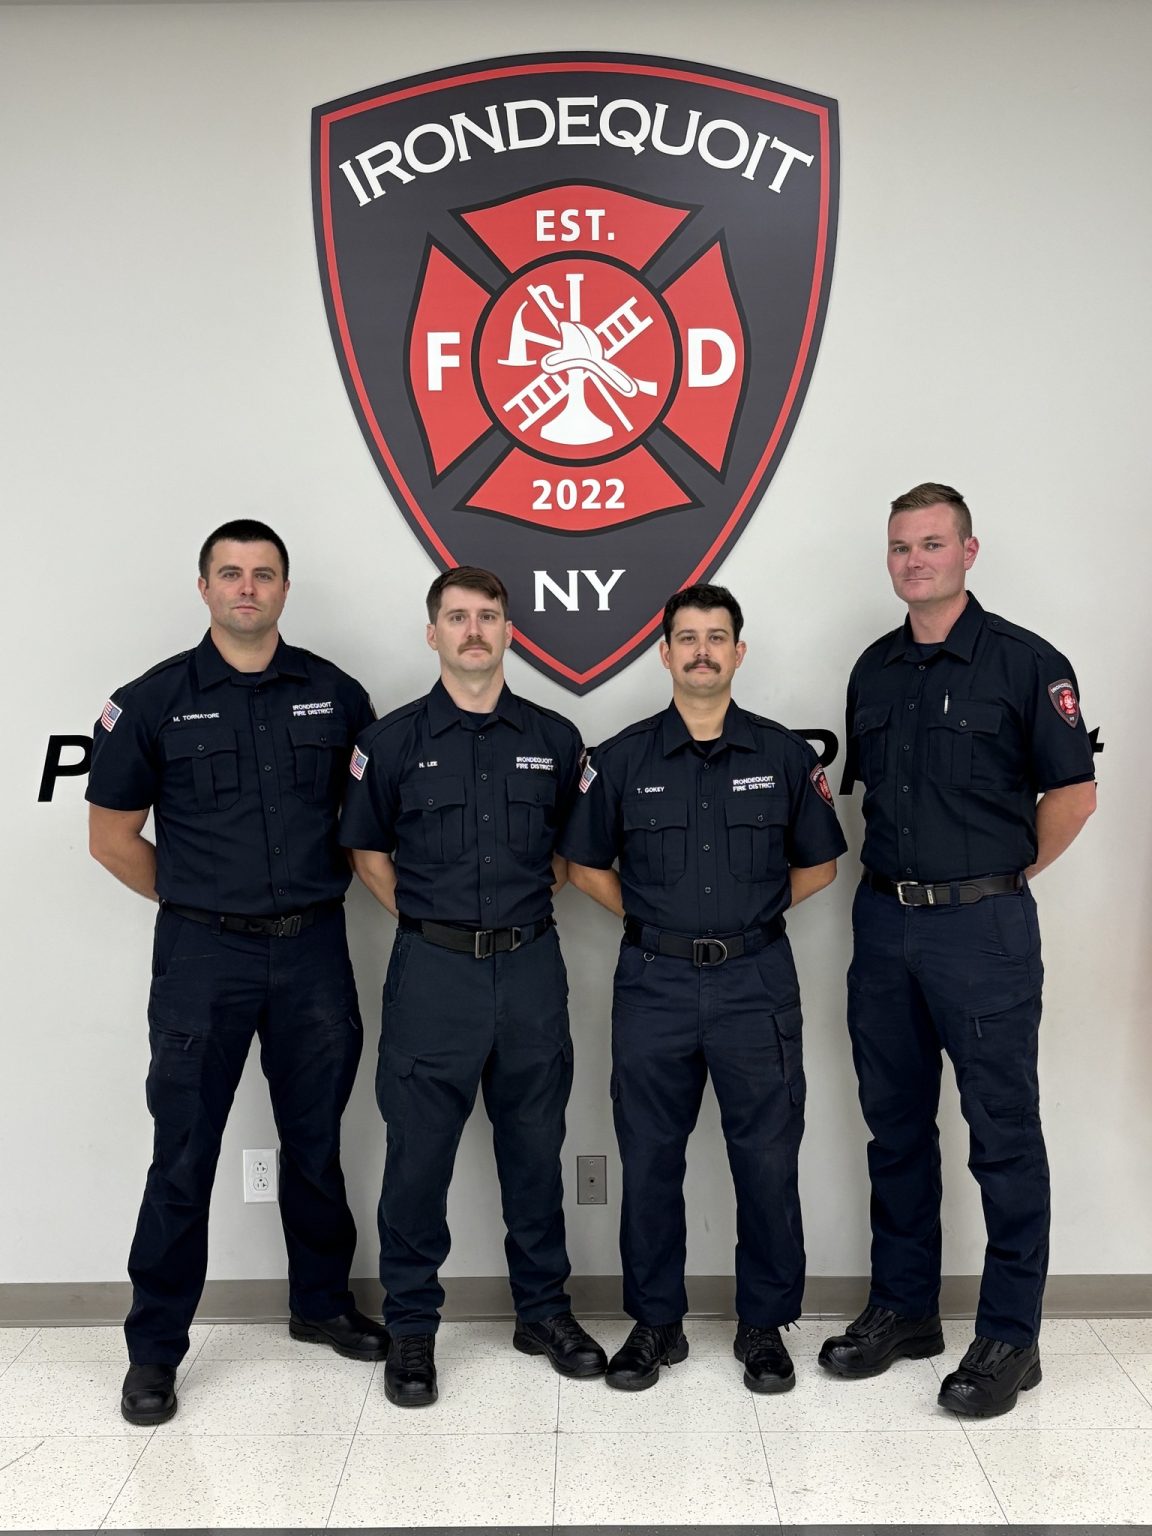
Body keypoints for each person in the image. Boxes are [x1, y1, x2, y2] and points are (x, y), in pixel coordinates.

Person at [87, 520, 387, 1427]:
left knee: (318, 1142)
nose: (246, 588)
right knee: (182, 1157)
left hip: (312, 950)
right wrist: (198, 902)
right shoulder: (151, 700)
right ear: (205, 587)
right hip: (201, 956)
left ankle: (322, 1303)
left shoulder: (337, 696)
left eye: (263, 575)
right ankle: (154, 1353)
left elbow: (370, 822)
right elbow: (111, 840)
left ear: (286, 590)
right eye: (231, 574)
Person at [821, 482, 1096, 1417]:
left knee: (1003, 1137)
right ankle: (905, 1308)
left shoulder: (1026, 664)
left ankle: (1011, 1337)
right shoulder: (873, 670)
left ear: (969, 552)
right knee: (895, 1128)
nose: (914, 560)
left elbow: (1072, 798)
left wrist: (1001, 881)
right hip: (884, 923)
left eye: (932, 543)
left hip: (983, 927)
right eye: (901, 547)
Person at [561, 584, 846, 1393]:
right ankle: (657, 1325)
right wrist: (656, 923)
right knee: (650, 1160)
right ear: (664, 652)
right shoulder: (620, 760)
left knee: (766, 1159)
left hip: (756, 980)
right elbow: (584, 866)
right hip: (654, 982)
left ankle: (764, 1325)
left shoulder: (785, 757)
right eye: (686, 637)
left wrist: (745, 925)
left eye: (717, 637)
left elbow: (820, 863)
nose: (702, 651)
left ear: (739, 652)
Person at [340, 566, 606, 1408]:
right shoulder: (389, 743)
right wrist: (433, 922)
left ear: (509, 631)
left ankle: (542, 1312)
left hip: (529, 970)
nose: (473, 631)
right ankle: (413, 1329)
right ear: (433, 634)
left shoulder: (557, 738)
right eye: (457, 617)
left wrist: (508, 923)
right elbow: (368, 854)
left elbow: (573, 855)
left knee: (535, 1150)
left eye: (488, 616)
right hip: (433, 975)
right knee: (417, 1159)